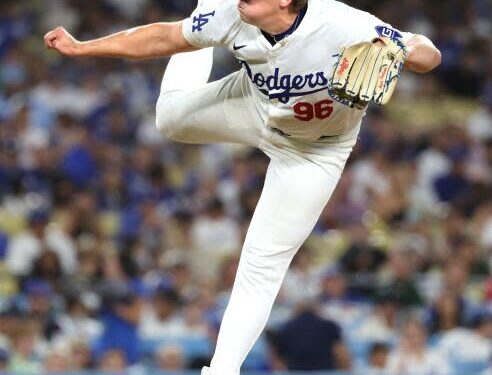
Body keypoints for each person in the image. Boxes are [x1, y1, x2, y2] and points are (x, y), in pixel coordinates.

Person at [44, 0, 441, 374]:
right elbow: (165, 37)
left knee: (262, 263)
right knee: (168, 120)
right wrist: (84, 48)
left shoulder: (341, 24)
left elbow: (429, 53)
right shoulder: (234, 12)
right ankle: (203, 16)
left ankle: (222, 371)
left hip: (313, 153)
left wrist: (399, 50)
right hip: (252, 105)